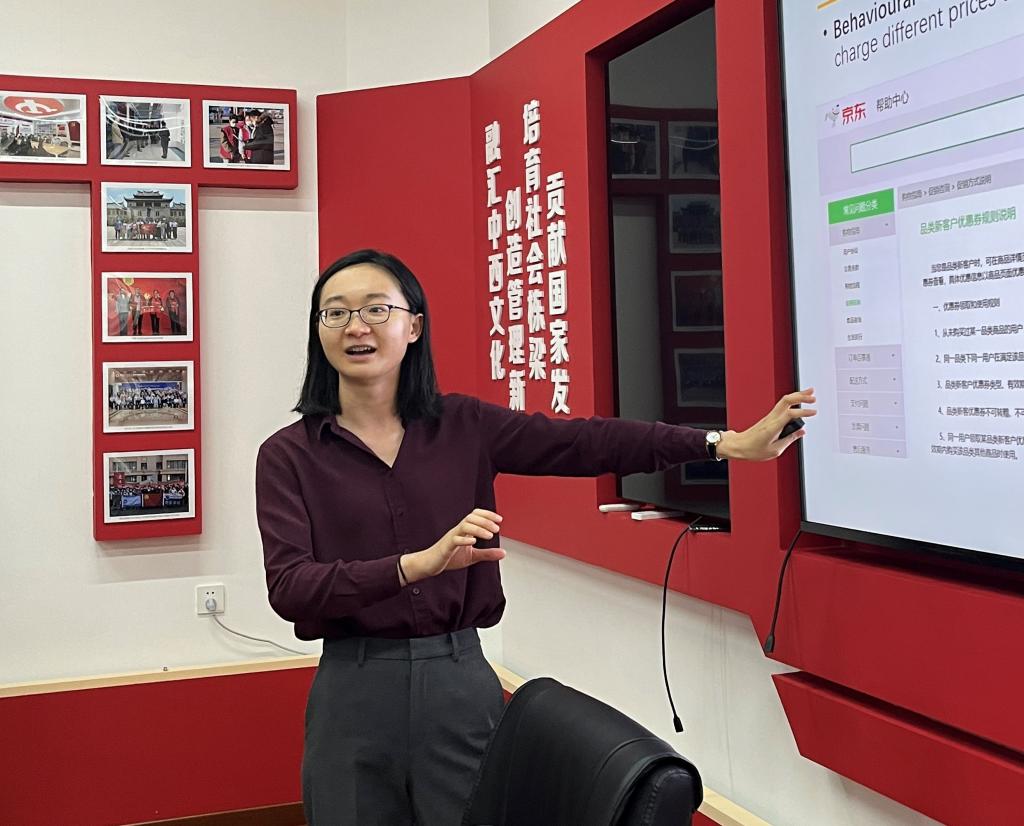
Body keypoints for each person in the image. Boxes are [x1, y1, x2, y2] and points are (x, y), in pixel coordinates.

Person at [255, 249, 815, 826]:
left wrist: (719, 444)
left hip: (458, 680)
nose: (355, 327)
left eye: (376, 309)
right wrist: (414, 565)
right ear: (318, 330)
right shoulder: (288, 456)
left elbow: (586, 443)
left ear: (414, 326)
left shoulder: (464, 426)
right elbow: (291, 588)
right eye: (336, 313)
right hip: (352, 689)